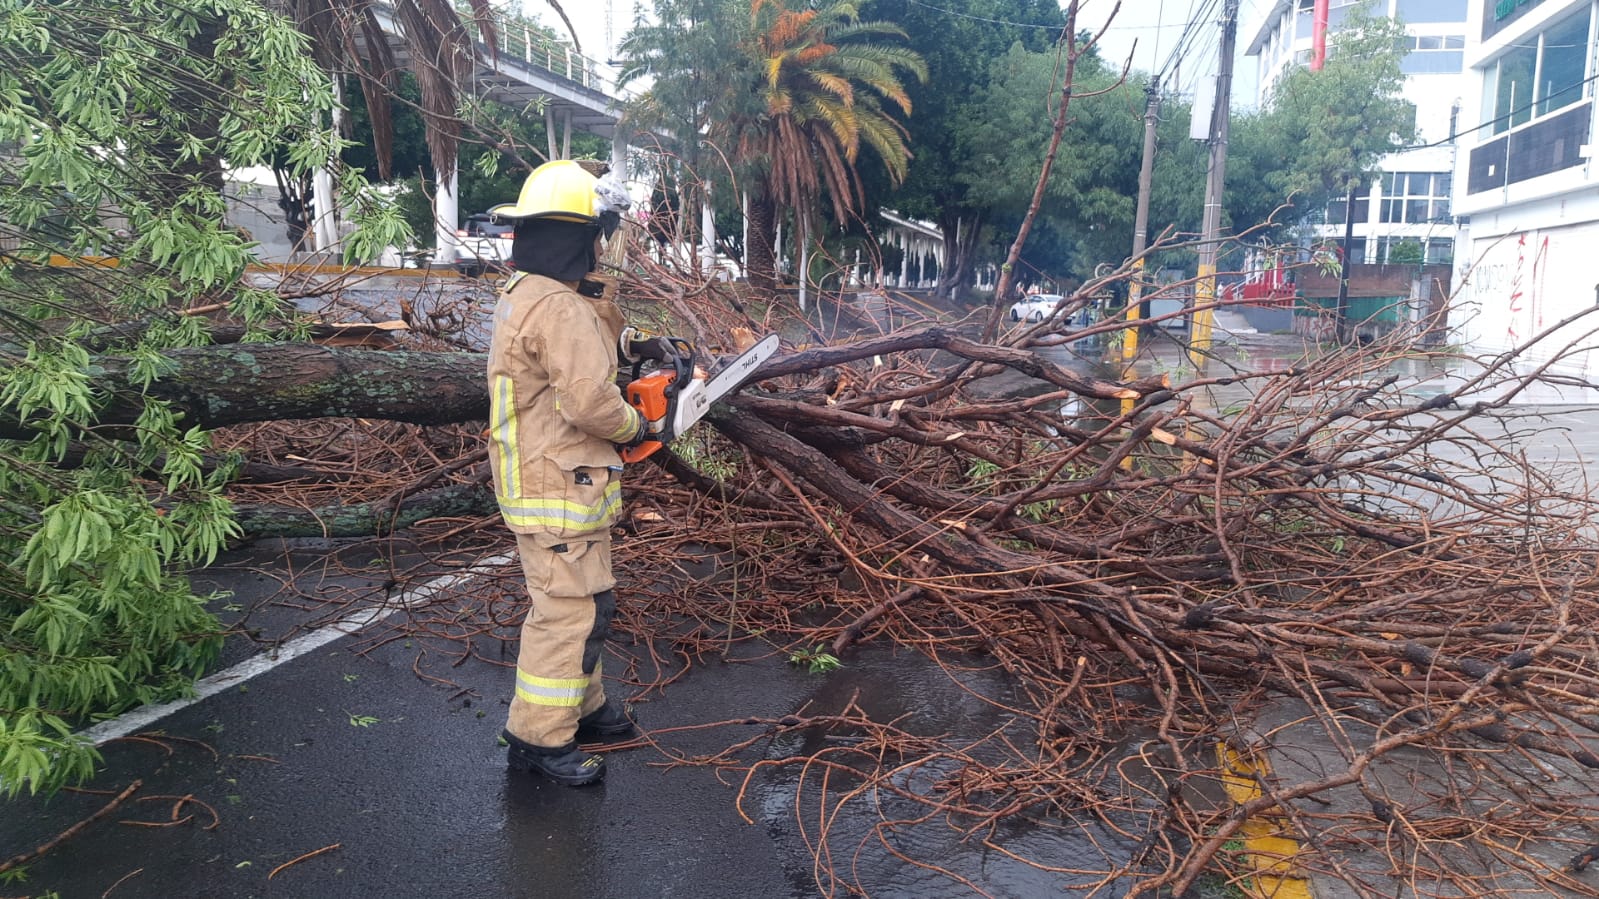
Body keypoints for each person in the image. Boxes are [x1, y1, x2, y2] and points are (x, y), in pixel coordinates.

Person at [485, 159, 655, 786]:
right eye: (597, 236)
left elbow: (585, 338)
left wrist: (636, 343)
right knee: (565, 613)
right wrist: (638, 427)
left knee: (589, 602)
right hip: (555, 483)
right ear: (581, 237)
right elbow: (589, 401)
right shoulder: (558, 307)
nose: (602, 247)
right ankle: (537, 737)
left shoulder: (531, 291)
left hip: (561, 478)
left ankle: (583, 706)